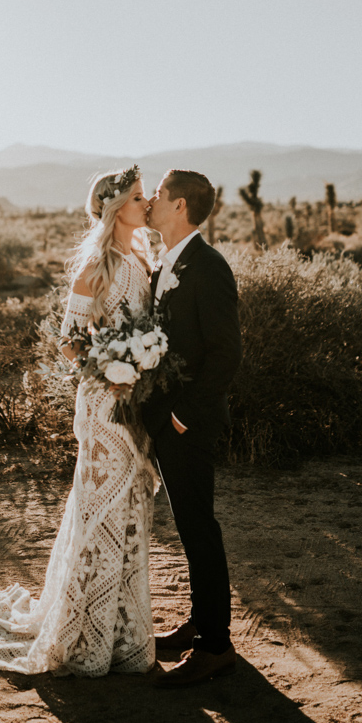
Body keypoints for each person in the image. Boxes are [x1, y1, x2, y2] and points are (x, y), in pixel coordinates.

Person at [0, 166, 158, 677]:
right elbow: (68, 342)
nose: (146, 203)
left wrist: (143, 365)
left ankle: (125, 630)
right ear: (113, 209)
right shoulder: (94, 266)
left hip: (139, 406)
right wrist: (113, 366)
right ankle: (82, 630)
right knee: (99, 509)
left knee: (131, 510)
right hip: (105, 404)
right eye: (137, 198)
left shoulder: (143, 257)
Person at [143, 169, 243, 687]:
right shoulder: (166, 262)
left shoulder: (208, 267)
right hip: (169, 421)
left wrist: (182, 417)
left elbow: (226, 355)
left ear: (179, 206)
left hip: (191, 425)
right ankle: (203, 622)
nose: (152, 201)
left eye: (158, 194)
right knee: (188, 528)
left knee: (199, 529)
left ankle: (215, 646)